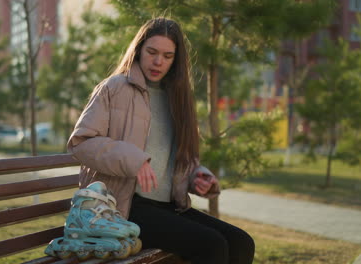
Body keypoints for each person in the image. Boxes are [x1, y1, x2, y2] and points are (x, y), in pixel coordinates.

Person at [67, 17, 255, 264]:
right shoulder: (114, 88)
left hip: (167, 206)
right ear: (139, 49)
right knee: (212, 245)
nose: (158, 61)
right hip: (123, 207)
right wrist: (135, 160)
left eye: (167, 56)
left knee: (242, 242)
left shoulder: (177, 98)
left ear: (176, 59)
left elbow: (175, 159)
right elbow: (81, 143)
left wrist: (195, 175)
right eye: (152, 52)